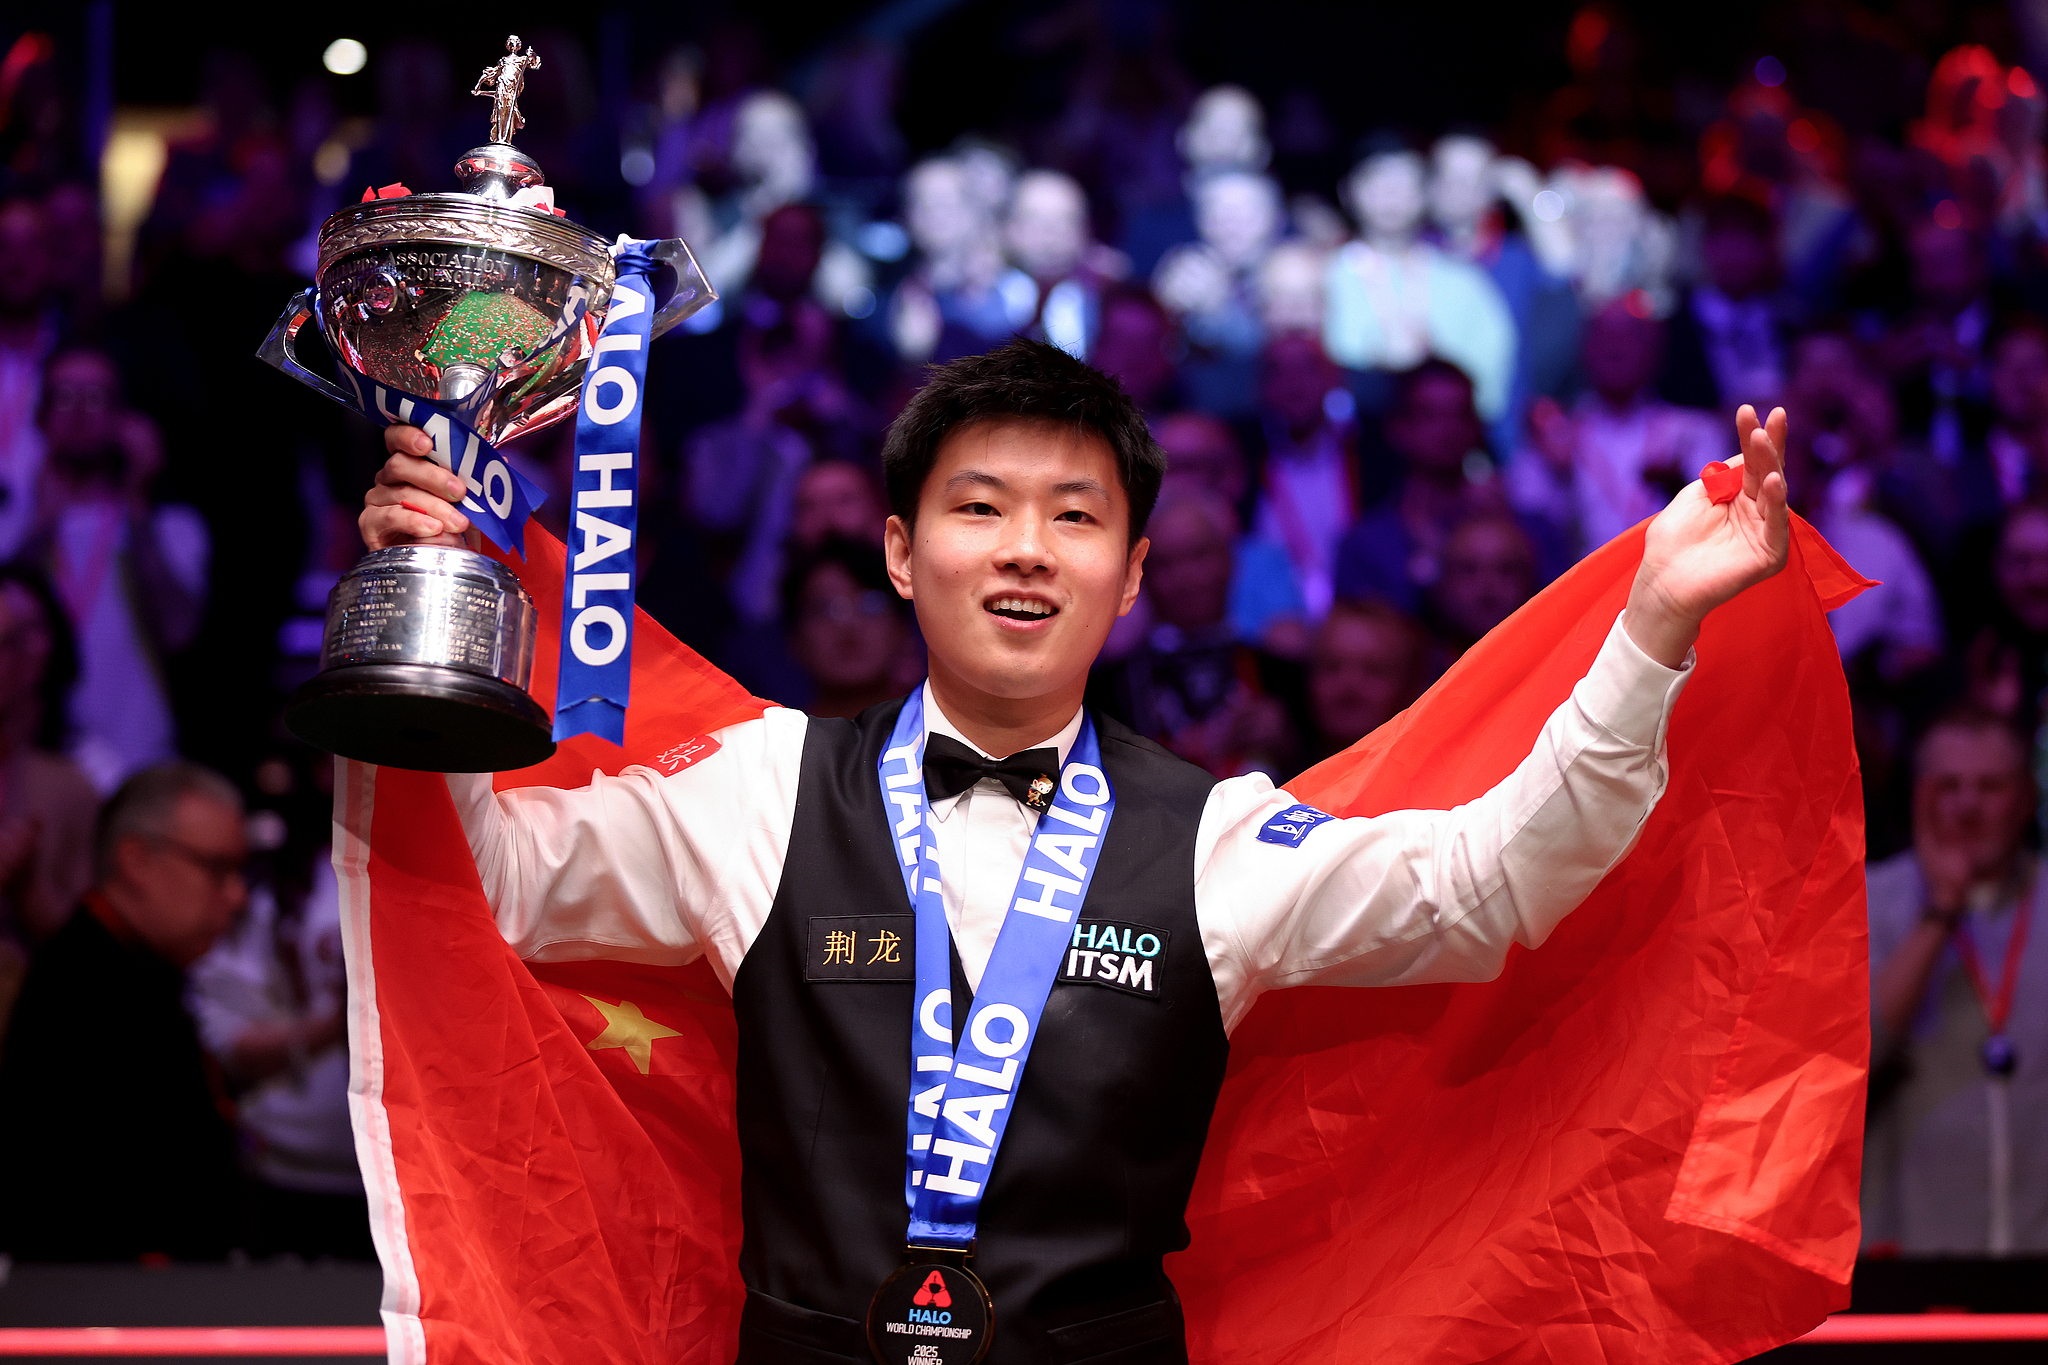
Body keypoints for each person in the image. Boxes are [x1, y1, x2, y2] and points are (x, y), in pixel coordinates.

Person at [362, 336, 1789, 1363]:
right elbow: (491, 887)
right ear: (901, 552)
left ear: (1135, 573)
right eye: (980, 507)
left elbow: (1493, 884)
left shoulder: (1216, 835)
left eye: (1075, 517)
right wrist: (428, 597)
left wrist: (1654, 621)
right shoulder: (757, 790)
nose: (1026, 550)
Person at [0, 762, 248, 1261]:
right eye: (216, 869)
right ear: (135, 860)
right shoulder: (82, 994)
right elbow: (82, 1209)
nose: (236, 895)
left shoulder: (135, 968)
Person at [1862, 707, 2048, 1254]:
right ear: (1918, 795)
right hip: (1911, 1257)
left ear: (2026, 798)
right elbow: (1852, 1059)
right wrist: (1941, 910)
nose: (1968, 805)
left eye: (1990, 787)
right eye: (1948, 786)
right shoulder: (1869, 901)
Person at [1086, 487, 1306, 780]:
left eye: (1200, 555)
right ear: (1139, 576)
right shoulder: (1109, 688)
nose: (1186, 578)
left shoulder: (1281, 672)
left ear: (1230, 560)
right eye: (1166, 563)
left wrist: (1287, 743)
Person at [782, 536, 919, 720]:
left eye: (871, 605)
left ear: (903, 629)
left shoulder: (943, 733)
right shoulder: (775, 737)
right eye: (825, 608)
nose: (848, 624)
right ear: (795, 638)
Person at [1299, 598, 1425, 767]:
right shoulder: (1270, 777)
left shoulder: (1435, 778)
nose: (1350, 683)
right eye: (1332, 666)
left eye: (1374, 670)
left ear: (1409, 686)